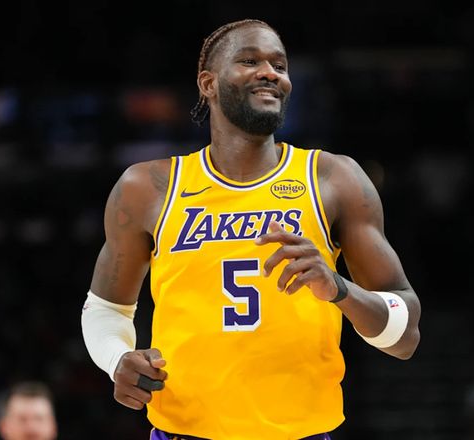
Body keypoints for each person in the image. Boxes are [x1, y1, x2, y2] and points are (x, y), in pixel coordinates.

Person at [81, 18, 421, 440]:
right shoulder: (147, 187)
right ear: (208, 83)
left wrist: (339, 289)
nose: (270, 73)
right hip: (183, 432)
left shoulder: (334, 179)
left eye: (279, 65)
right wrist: (117, 358)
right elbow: (106, 309)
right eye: (249, 61)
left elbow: (404, 336)